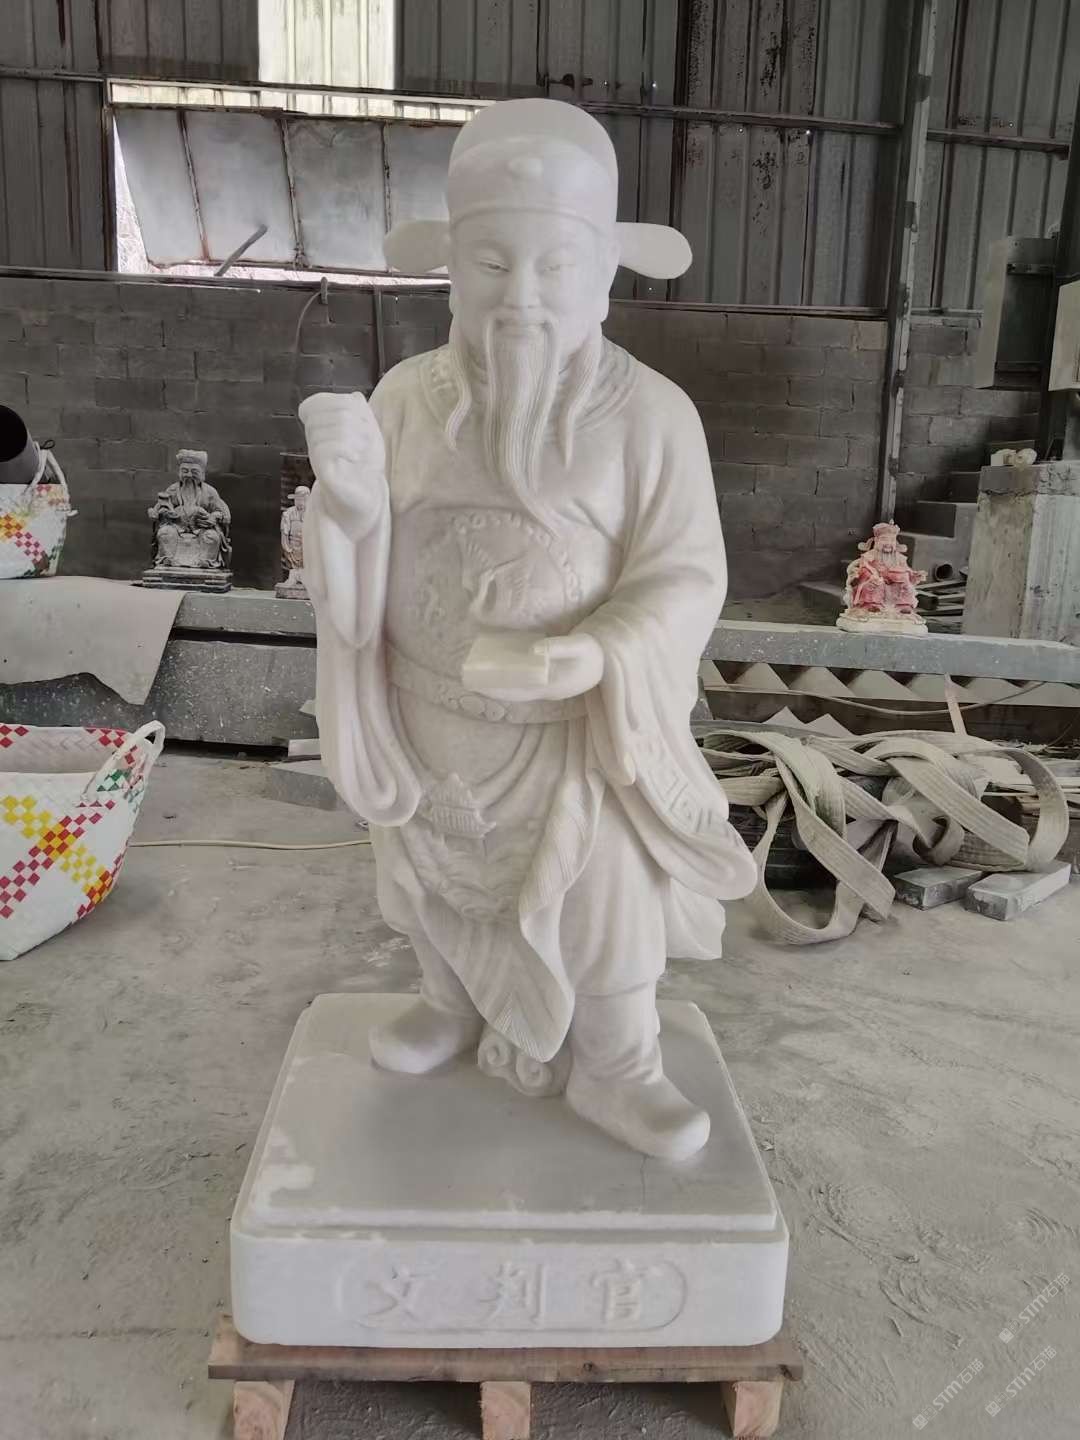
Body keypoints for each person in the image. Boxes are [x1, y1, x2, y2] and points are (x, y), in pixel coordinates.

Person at [299, 99, 757, 1161]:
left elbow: (687, 573)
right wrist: (347, 513)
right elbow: (358, 554)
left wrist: (598, 651)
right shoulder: (403, 398)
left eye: (554, 268)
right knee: (430, 878)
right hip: (427, 712)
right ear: (452, 270)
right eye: (493, 265)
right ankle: (450, 1004)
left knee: (601, 895)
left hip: (576, 731)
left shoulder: (653, 416)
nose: (522, 299)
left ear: (603, 276)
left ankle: (618, 1064)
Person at [149, 449, 231, 570]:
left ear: (202, 473)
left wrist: (213, 517)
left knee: (212, 537)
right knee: (164, 533)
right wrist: (161, 513)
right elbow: (159, 508)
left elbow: (222, 512)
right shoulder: (172, 490)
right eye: (185, 471)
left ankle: (205, 561)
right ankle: (168, 560)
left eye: (194, 472)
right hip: (176, 528)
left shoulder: (210, 492)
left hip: (201, 529)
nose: (189, 475)